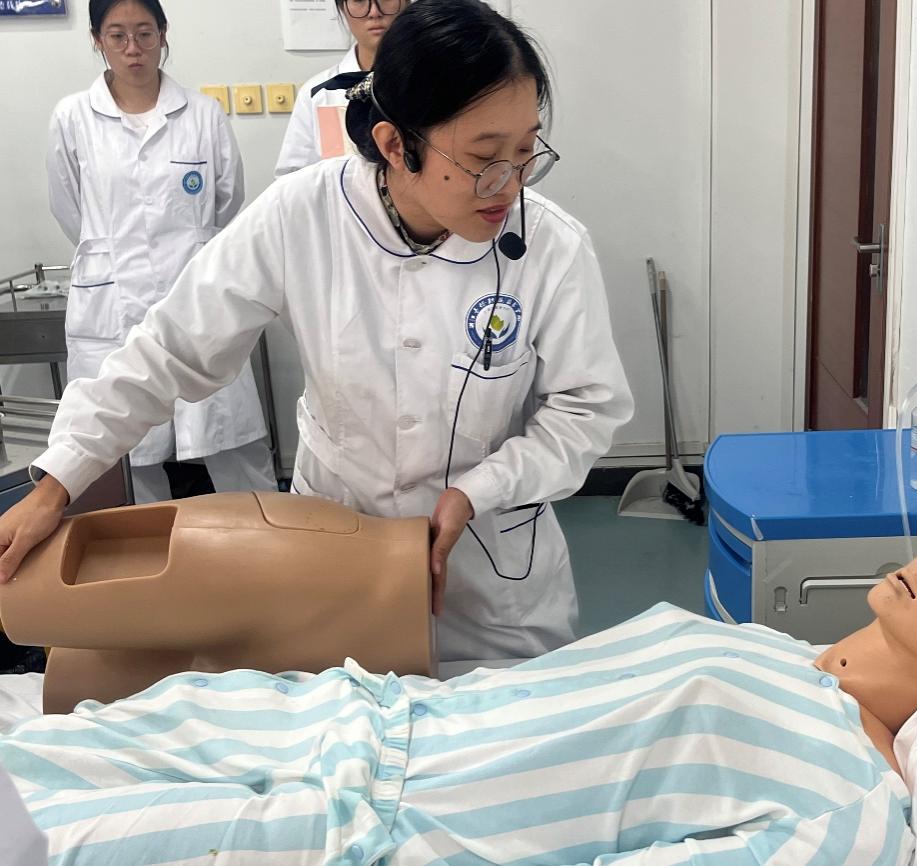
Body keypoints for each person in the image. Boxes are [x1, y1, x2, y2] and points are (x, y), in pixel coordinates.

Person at [0, 0, 634, 663]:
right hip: (336, 555)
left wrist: (482, 490)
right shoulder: (301, 214)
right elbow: (170, 347)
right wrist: (59, 482)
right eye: (484, 158)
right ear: (396, 145)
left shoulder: (552, 246)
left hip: (492, 582)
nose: (509, 185)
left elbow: (587, 410)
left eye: (526, 152)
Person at [0, 523, 917, 864]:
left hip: (358, 829)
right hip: (343, 711)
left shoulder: (853, 802)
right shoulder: (768, 647)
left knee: (50, 845)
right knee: (32, 768)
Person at [45, 0, 278, 504]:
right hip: (113, 304)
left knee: (232, 442)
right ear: (97, 40)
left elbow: (227, 199)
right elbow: (70, 210)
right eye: (118, 36)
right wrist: (113, 255)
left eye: (144, 34)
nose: (133, 49)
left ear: (163, 34)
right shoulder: (73, 117)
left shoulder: (202, 113)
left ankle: (267, 539)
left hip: (195, 295)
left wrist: (186, 252)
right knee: (128, 455)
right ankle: (141, 550)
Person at [275, 0, 410, 177]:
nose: (374, 12)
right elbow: (292, 179)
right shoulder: (319, 95)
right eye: (359, 0)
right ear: (342, 8)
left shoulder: (435, 81)